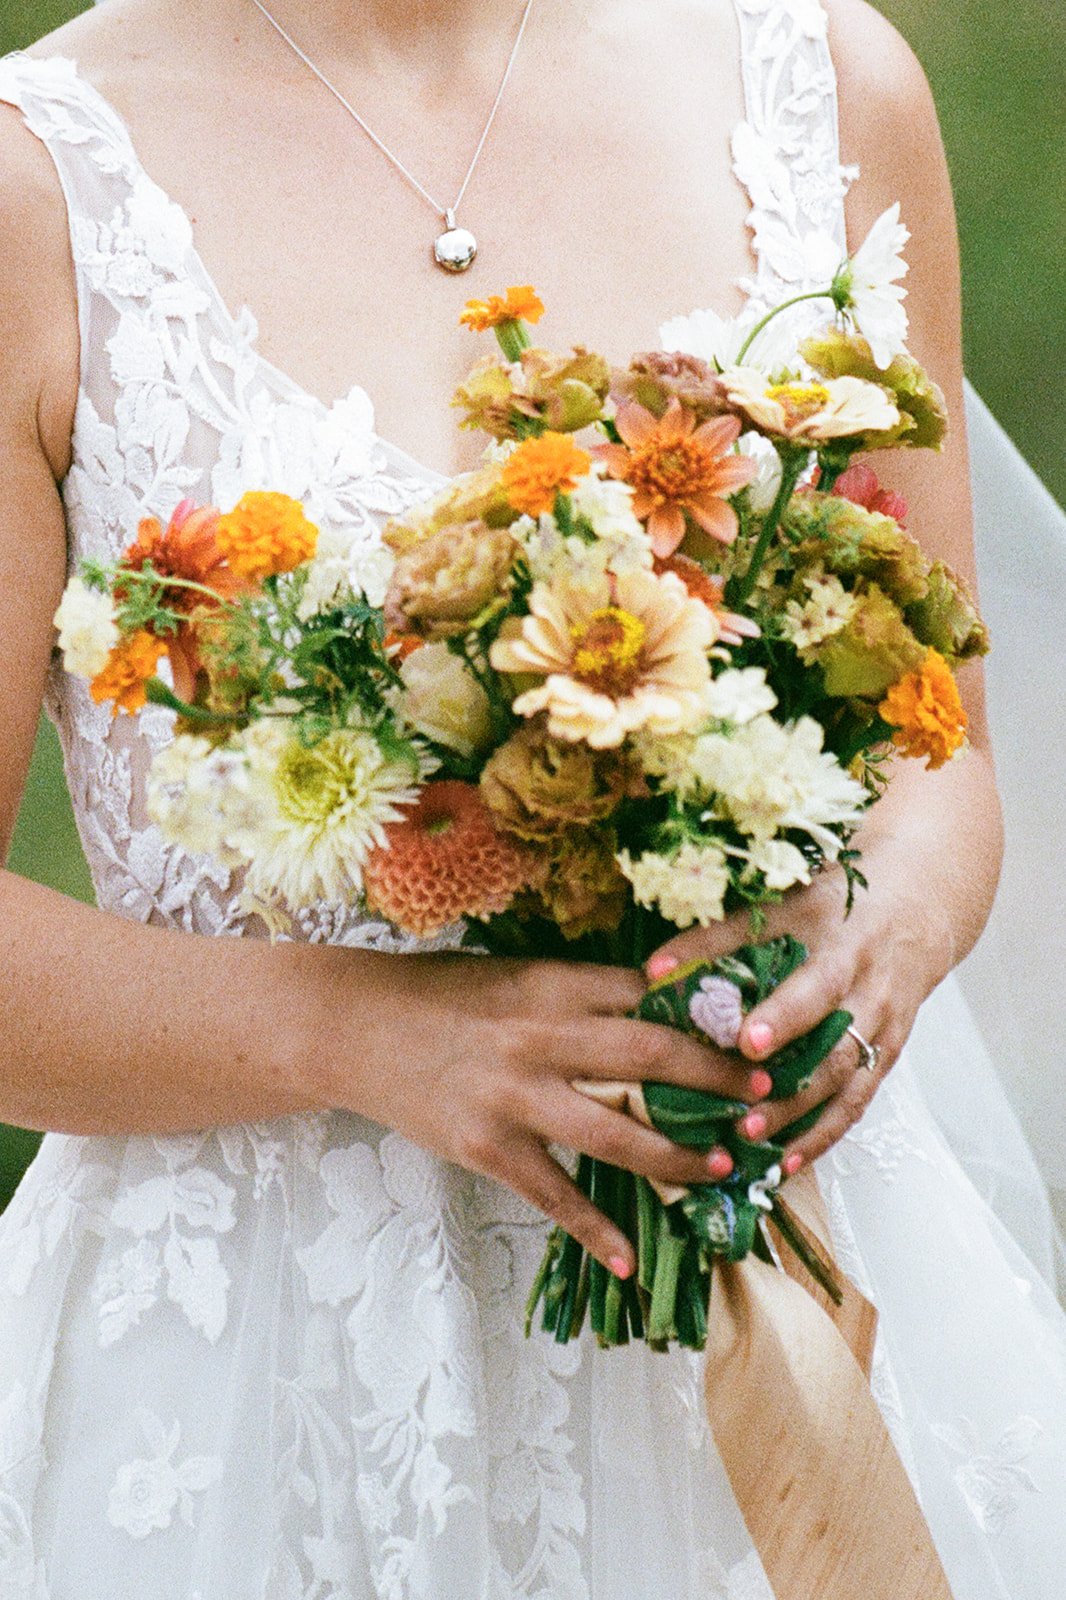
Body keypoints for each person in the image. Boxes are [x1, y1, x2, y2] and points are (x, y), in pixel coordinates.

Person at [0, 0, 1063, 1595]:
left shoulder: (823, 80)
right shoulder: (34, 185)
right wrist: (359, 1034)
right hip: (270, 1371)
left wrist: (877, 943)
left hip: (792, 1246)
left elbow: (938, 744)